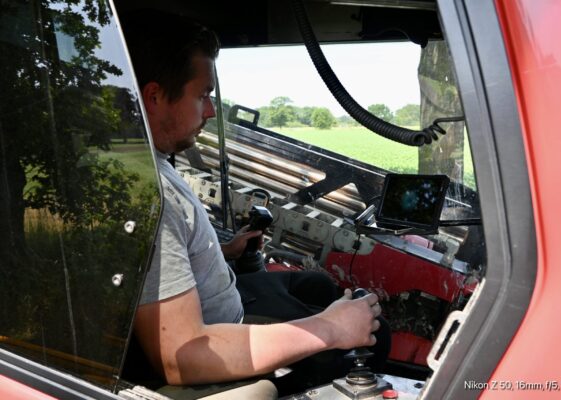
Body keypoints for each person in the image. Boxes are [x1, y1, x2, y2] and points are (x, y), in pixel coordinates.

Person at [122, 10, 388, 394]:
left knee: (316, 285)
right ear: (155, 96)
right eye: (203, 96)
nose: (211, 111)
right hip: (218, 338)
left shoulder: (154, 162)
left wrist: (225, 250)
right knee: (378, 337)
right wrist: (330, 329)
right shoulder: (149, 195)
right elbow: (182, 355)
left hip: (226, 304)